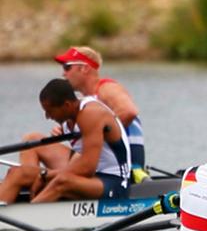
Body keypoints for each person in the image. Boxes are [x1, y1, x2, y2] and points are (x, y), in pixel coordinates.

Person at [0, 79, 130, 204]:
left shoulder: (91, 113)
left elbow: (87, 168)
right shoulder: (69, 117)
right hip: (89, 177)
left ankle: (27, 216)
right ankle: (23, 193)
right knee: (17, 172)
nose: (47, 117)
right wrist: (41, 176)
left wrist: (45, 176)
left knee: (61, 181)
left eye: (50, 111)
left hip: (113, 181)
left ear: (67, 105)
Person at [53, 46, 147, 180]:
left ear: (84, 68)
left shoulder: (107, 88)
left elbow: (129, 112)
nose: (63, 74)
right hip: (101, 163)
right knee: (32, 140)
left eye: (67, 67)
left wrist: (91, 134)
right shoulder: (84, 103)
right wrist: (65, 131)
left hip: (126, 165)